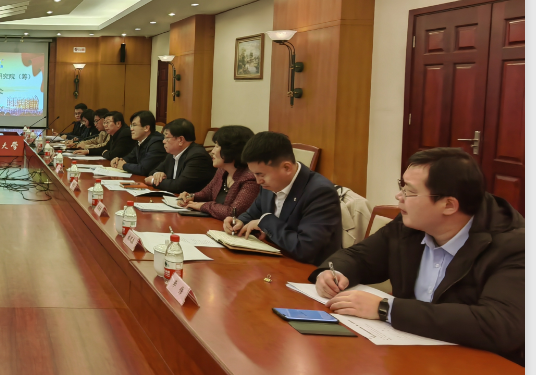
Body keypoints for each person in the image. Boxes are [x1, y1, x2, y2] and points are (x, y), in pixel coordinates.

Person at [310, 148, 523, 365]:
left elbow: (499, 324)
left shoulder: (515, 246)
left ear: (449, 205)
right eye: (401, 186)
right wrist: (333, 272)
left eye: (410, 192)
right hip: (410, 354)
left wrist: (385, 308)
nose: (399, 196)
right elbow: (360, 257)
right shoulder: (411, 225)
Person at [225, 131, 341, 265]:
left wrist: (266, 221)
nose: (258, 181)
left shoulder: (320, 192)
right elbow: (253, 214)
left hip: (306, 269)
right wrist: (239, 222)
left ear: (287, 168)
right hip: (273, 261)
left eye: (261, 174)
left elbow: (305, 248)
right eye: (255, 174)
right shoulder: (269, 184)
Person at [177, 125, 259, 219]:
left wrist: (203, 206)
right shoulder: (222, 170)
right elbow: (207, 193)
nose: (212, 151)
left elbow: (233, 213)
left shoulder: (251, 178)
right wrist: (191, 196)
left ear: (231, 150)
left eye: (216, 146)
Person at [145, 118, 215, 194]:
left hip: (192, 199)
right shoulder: (172, 154)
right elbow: (153, 171)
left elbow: (180, 186)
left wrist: (153, 181)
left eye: (167, 137)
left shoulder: (198, 156)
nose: (163, 141)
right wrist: (157, 174)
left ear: (181, 140)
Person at [112, 110, 165, 176]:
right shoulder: (141, 141)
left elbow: (143, 169)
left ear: (146, 128)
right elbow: (130, 158)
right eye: (131, 125)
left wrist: (123, 166)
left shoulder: (157, 144)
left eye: (134, 125)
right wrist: (118, 160)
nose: (131, 129)